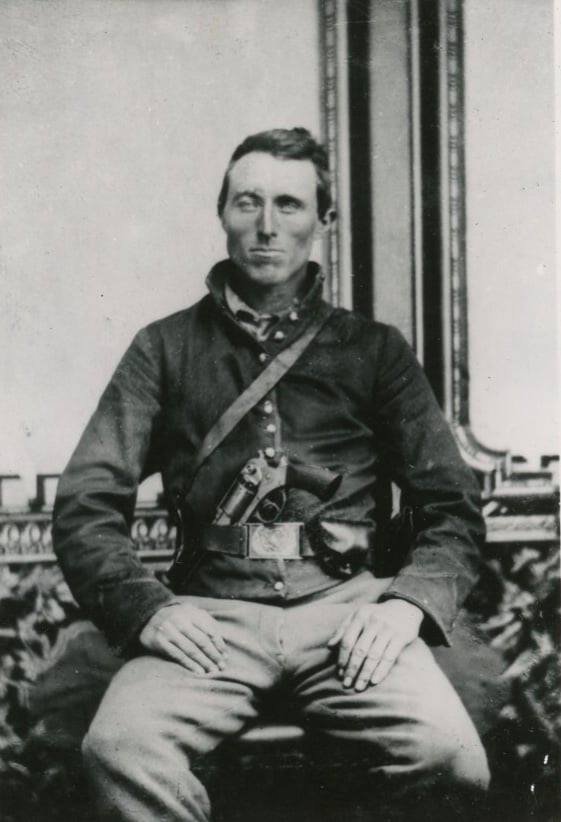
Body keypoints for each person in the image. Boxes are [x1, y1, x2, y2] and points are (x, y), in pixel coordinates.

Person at [53, 127, 490, 821]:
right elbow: (85, 504)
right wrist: (147, 609)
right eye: (247, 202)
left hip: (348, 613)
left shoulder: (375, 351)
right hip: (211, 617)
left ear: (323, 221)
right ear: (221, 213)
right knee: (119, 748)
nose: (266, 225)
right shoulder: (162, 348)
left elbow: (453, 507)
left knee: (451, 759)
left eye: (288, 204)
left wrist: (404, 607)